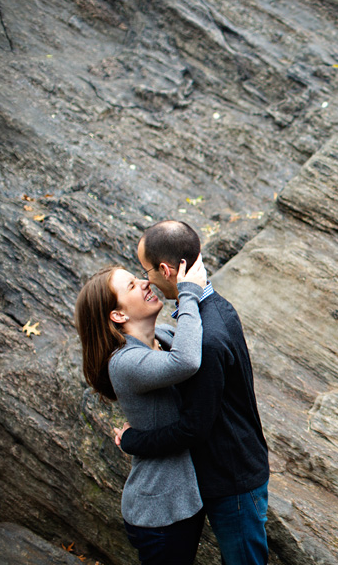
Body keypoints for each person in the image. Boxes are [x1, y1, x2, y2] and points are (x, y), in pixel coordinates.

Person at [117, 220, 270, 565]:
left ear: (167, 270)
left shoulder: (206, 337)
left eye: (146, 270)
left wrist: (132, 441)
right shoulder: (215, 308)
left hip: (232, 480)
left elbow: (194, 427)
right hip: (235, 467)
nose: (146, 280)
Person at [75, 255, 209, 565]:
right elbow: (187, 362)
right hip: (159, 514)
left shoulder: (162, 337)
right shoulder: (124, 363)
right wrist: (188, 293)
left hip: (182, 503)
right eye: (132, 285)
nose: (146, 283)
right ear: (118, 314)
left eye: (139, 278)